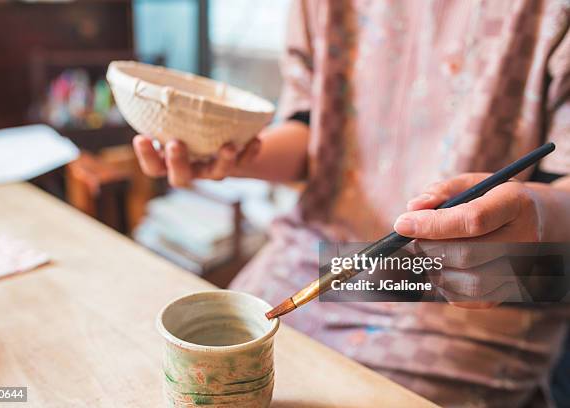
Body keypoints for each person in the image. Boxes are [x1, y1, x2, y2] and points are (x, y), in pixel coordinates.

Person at [133, 1, 570, 406]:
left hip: (468, 295)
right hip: (312, 257)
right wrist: (228, 154)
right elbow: (311, 128)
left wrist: (533, 214)